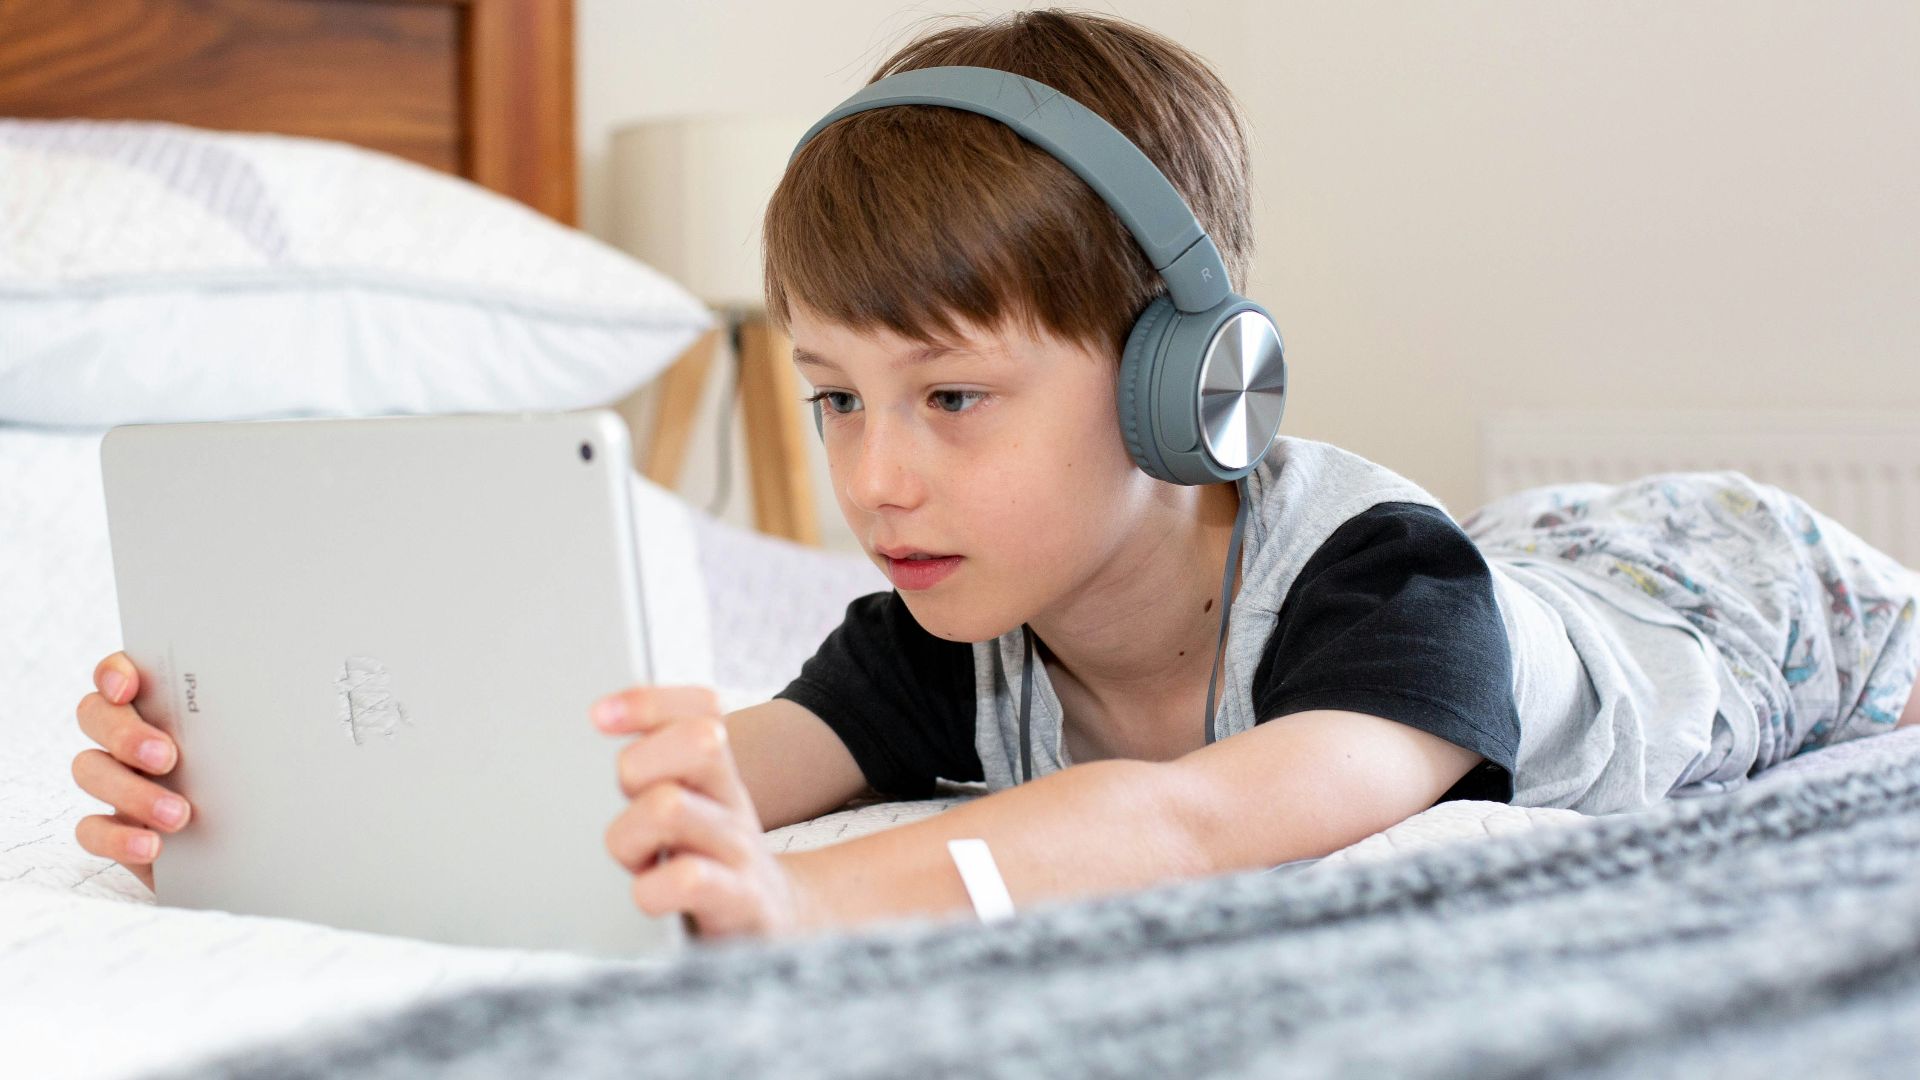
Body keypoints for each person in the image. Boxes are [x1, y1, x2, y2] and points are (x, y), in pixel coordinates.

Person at [70, 9, 1920, 940]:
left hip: (1728, 588)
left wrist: (807, 902)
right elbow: (695, 775)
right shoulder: (941, 624)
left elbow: (1194, 823)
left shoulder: (1389, 598)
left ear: (1189, 385)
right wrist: (284, 807)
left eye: (952, 399)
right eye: (834, 399)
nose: (877, 479)